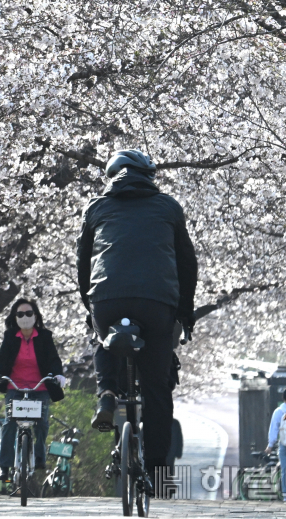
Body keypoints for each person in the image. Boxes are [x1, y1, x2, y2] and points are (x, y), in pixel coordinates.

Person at [76, 149, 197, 490]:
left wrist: (91, 306)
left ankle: (107, 393)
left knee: (100, 336)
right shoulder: (168, 207)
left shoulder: (96, 207)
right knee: (157, 389)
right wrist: (184, 314)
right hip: (157, 303)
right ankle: (158, 474)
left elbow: (83, 264)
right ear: (149, 176)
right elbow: (188, 265)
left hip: (107, 299)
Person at [0, 298, 67, 479]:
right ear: (15, 317)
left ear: (35, 315)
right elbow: (1, 357)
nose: (25, 317)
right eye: (20, 314)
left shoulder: (45, 336)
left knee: (42, 423)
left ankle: (39, 456)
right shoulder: (10, 337)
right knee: (9, 424)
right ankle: (4, 467)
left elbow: (53, 358)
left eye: (29, 313)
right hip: (15, 386)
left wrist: (58, 374)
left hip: (40, 387)